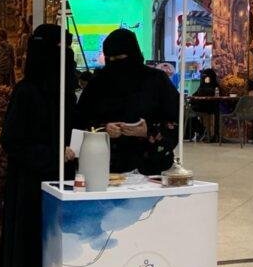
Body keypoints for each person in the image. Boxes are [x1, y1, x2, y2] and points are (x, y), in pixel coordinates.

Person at [0, 24, 77, 267]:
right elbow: (12, 141)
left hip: (62, 186)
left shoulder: (66, 93)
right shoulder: (26, 92)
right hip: (29, 189)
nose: (66, 58)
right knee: (29, 257)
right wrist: (53, 156)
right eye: (60, 51)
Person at [77, 29, 179, 175]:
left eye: (119, 58)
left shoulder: (156, 80)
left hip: (151, 166)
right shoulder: (98, 83)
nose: (114, 63)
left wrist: (148, 131)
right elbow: (81, 119)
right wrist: (104, 129)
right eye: (110, 59)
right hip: (105, 166)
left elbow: (173, 119)